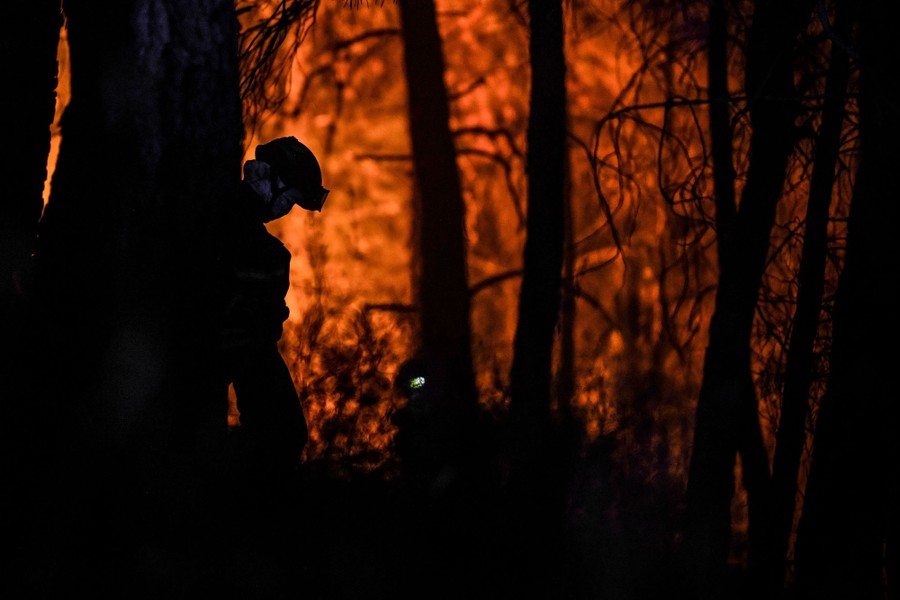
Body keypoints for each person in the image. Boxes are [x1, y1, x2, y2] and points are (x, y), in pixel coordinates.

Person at [217, 136, 328, 479]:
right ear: (266, 176)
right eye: (290, 199)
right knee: (283, 436)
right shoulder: (264, 251)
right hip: (228, 351)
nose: (284, 210)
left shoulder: (265, 248)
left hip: (237, 351)